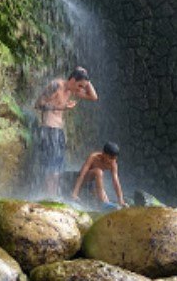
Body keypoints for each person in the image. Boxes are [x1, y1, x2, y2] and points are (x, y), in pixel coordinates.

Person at [34, 66, 98, 196]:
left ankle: (53, 195)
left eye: (82, 87)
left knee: (58, 168)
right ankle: (49, 196)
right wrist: (61, 107)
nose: (80, 89)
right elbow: (38, 104)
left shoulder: (71, 91)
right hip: (48, 129)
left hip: (59, 132)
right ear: (73, 80)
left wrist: (86, 78)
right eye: (80, 86)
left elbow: (94, 97)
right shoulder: (55, 85)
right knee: (50, 167)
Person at [71, 141, 127, 208]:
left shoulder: (113, 164)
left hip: (92, 184)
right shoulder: (93, 157)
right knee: (98, 171)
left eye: (114, 159)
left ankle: (106, 204)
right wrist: (75, 193)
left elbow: (116, 182)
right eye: (110, 158)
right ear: (103, 154)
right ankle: (103, 202)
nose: (112, 161)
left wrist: (121, 200)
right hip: (83, 179)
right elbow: (82, 175)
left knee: (103, 197)